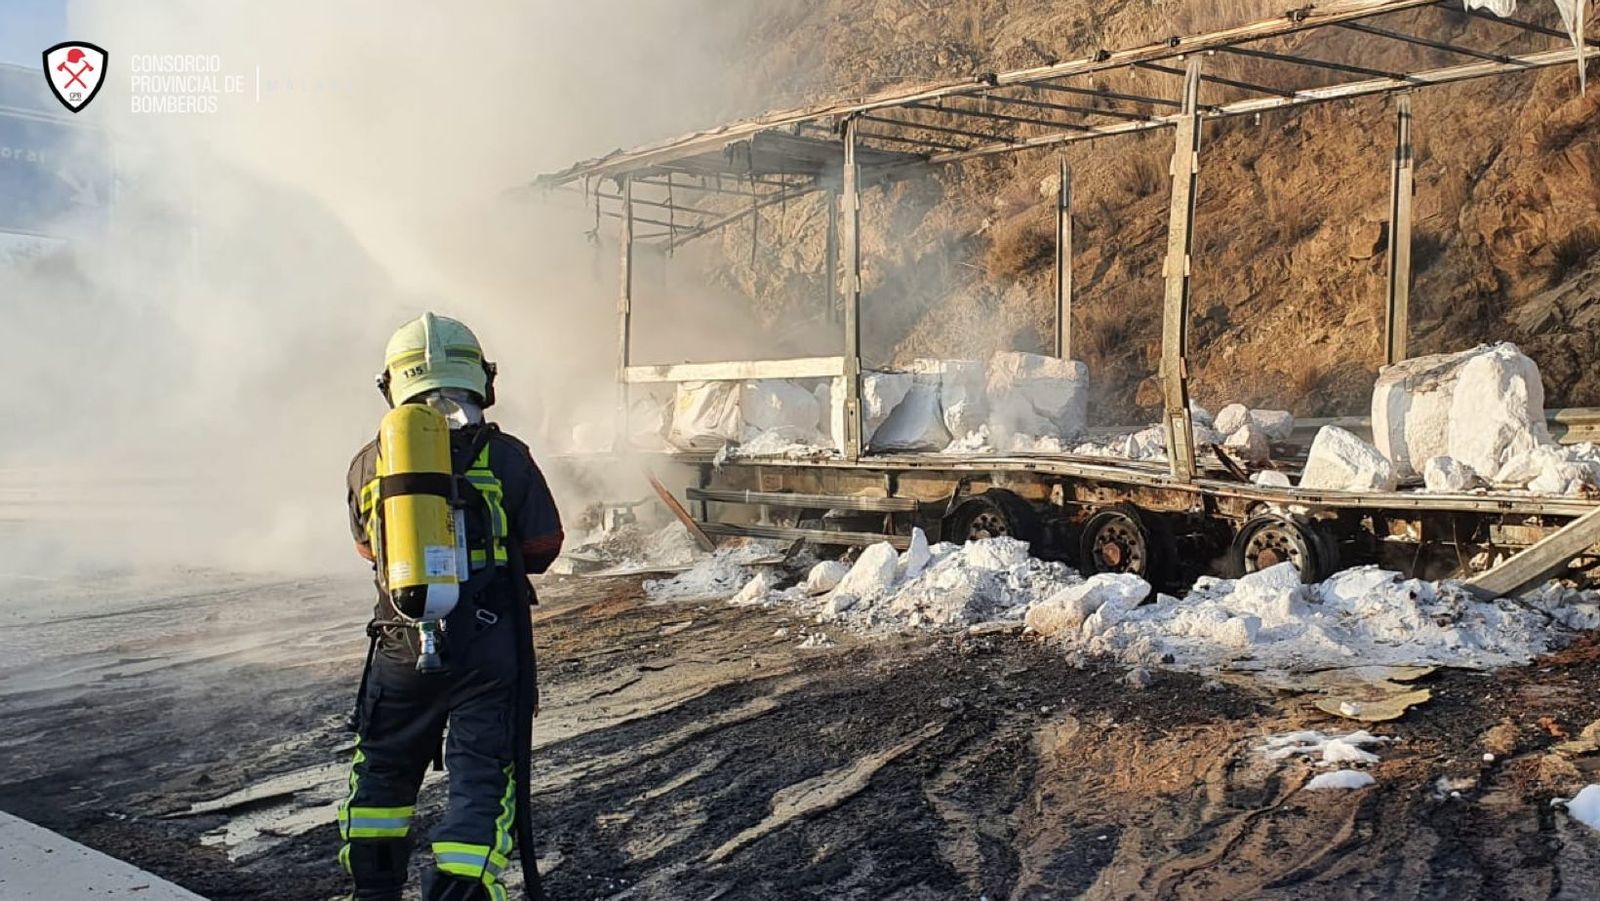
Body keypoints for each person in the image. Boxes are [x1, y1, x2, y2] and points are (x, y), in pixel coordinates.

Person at [340, 312, 563, 901]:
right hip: (487, 648)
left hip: (399, 645)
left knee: (383, 770)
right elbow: (544, 547)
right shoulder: (507, 456)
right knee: (481, 781)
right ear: (481, 379)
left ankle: (374, 891)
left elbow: (367, 548)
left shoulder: (369, 461)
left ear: (392, 385)